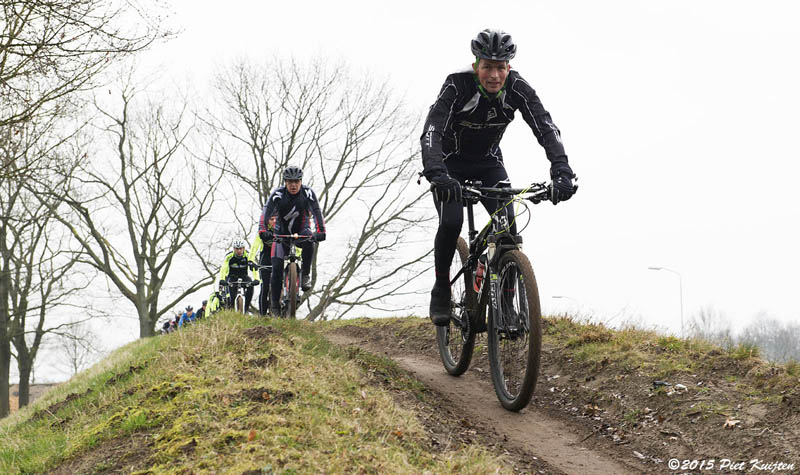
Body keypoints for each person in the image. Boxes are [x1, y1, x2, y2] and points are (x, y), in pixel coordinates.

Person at [421, 29, 576, 326]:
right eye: (487, 67)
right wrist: (436, 172)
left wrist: (561, 171)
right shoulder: (457, 85)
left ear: (509, 66)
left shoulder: (517, 87)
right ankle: (441, 288)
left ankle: (505, 305)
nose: (494, 75)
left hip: (488, 164)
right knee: (451, 222)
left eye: (500, 67)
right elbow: (432, 130)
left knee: (508, 230)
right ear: (476, 65)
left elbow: (545, 127)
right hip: (449, 165)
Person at [259, 165, 326, 315]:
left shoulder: (308, 193)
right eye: (290, 182)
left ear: (301, 181)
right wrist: (263, 230)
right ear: (285, 182)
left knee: (309, 242)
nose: (293, 185)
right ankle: (275, 305)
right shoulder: (278, 194)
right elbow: (266, 212)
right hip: (280, 233)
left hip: (302, 230)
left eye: (297, 181)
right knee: (276, 268)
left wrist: (321, 231)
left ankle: (305, 274)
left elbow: (317, 212)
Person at [218, 239, 259, 312]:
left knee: (250, 286)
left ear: (244, 248)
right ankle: (232, 309)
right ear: (234, 249)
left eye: (241, 248)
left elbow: (254, 269)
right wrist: (222, 279)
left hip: (244, 276)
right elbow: (223, 269)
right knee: (231, 297)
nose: (239, 251)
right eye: (237, 249)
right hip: (232, 277)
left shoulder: (248, 256)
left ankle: (246, 308)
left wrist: (256, 279)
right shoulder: (229, 257)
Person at [249, 215, 276, 315]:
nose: (274, 221)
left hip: (279, 261)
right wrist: (251, 260)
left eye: (276, 219)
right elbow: (254, 247)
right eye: (271, 219)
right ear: (267, 221)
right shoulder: (263, 231)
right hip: (265, 261)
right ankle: (262, 314)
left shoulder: (283, 230)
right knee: (265, 287)